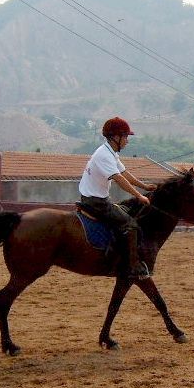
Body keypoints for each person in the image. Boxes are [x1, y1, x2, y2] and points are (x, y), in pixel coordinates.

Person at [79, 117, 157, 279]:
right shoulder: (104, 155)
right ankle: (133, 265)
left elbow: (124, 173)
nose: (127, 141)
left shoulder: (110, 152)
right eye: (126, 137)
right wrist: (139, 196)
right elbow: (119, 179)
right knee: (132, 224)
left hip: (99, 199)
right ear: (115, 137)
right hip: (96, 202)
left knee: (126, 212)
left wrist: (145, 186)